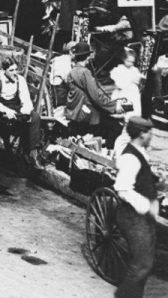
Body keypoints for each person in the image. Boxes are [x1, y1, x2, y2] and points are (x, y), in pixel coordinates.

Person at [113, 116, 158, 297]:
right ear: (141, 134)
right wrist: (147, 205)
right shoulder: (131, 158)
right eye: (149, 133)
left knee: (144, 265)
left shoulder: (139, 151)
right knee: (141, 265)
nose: (151, 136)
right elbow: (122, 189)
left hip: (140, 216)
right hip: (132, 217)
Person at [65, 40, 125, 147]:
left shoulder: (72, 71)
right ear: (87, 57)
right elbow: (96, 96)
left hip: (74, 110)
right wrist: (115, 107)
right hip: (83, 113)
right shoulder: (84, 72)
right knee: (116, 127)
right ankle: (107, 151)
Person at [0, 55, 41, 166]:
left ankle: (32, 153)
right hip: (0, 106)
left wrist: (26, 111)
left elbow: (26, 99)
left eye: (16, 69)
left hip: (15, 106)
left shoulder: (20, 80)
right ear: (4, 70)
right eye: (11, 70)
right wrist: (6, 110)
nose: (15, 72)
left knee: (35, 117)